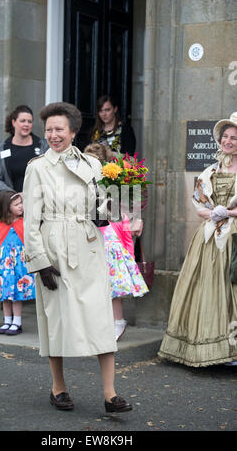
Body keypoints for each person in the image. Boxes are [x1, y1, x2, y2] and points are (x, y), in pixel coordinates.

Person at [23, 101, 133, 413]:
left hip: (90, 246)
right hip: (55, 248)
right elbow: (31, 222)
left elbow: (99, 209)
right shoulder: (38, 168)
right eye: (49, 130)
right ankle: (58, 387)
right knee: (56, 318)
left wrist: (108, 210)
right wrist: (40, 262)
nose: (53, 135)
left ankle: (110, 394)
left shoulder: (93, 165)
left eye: (59, 129)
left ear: (73, 132)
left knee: (101, 318)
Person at [158, 112, 237, 367]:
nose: (228, 141)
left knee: (231, 288)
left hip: (233, 237)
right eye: (225, 136)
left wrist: (229, 212)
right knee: (206, 288)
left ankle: (231, 349)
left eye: (234, 137)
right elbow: (198, 203)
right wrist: (213, 213)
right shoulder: (210, 171)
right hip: (210, 237)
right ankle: (207, 348)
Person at [84, 143, 148, 341]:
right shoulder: (84, 180)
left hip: (110, 231)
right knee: (92, 282)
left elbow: (127, 203)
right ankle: (99, 321)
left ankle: (117, 320)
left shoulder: (113, 181)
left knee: (111, 279)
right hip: (90, 231)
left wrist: (135, 217)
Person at [0, 191, 35, 335]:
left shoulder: (24, 222)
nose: (21, 206)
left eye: (21, 203)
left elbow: (30, 242)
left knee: (16, 293)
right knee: (5, 293)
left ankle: (17, 322)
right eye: (16, 204)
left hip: (18, 265)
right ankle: (7, 321)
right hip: (3, 265)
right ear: (6, 207)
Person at [0, 104, 48, 194]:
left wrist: (30, 195)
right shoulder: (2, 148)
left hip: (37, 202)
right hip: (11, 204)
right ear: (14, 122)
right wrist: (14, 196)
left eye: (29, 121)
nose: (26, 124)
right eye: (23, 121)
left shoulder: (43, 146)